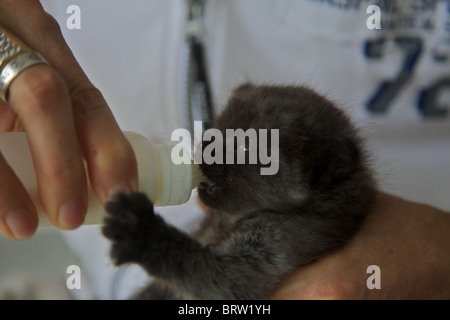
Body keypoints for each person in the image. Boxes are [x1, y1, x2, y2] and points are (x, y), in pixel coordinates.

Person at [0, 0, 449, 299]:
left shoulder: (305, 223)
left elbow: (229, 282)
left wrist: (440, 250)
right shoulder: (279, 197)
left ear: (316, 174)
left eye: (245, 156)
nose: (206, 162)